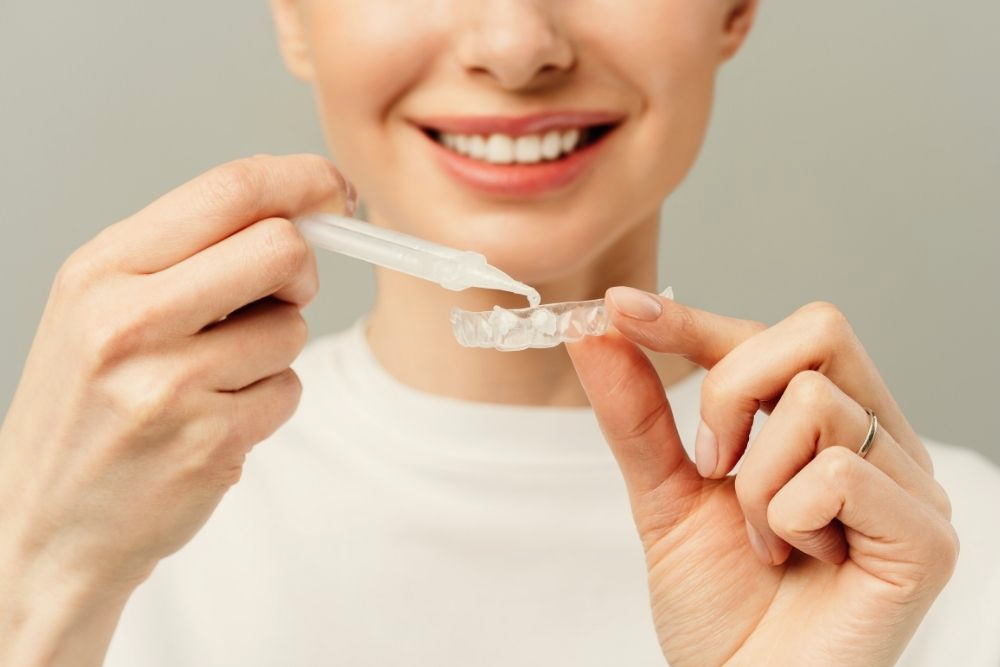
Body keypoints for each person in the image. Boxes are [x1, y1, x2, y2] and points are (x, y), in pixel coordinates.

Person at [1, 0, 998, 665]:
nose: (516, 45)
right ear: (292, 13)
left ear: (732, 8)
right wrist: (37, 584)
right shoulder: (94, 516)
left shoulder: (937, 554)